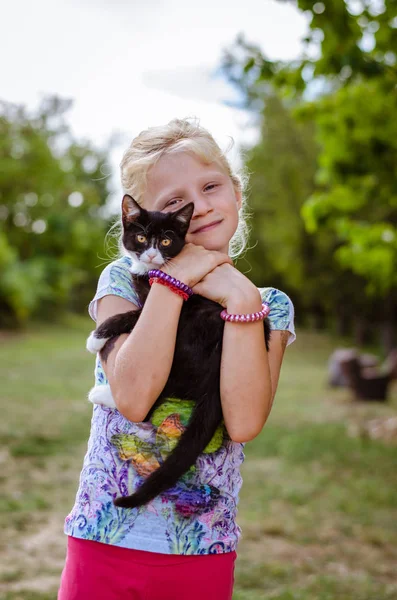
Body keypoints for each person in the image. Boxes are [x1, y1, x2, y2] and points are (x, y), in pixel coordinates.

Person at [58, 117, 296, 600]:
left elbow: (245, 420)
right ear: (147, 218)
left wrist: (242, 301)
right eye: (173, 201)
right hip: (105, 534)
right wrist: (175, 278)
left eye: (211, 186)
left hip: (201, 546)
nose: (199, 206)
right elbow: (132, 396)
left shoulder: (270, 304)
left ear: (237, 193)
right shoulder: (123, 281)